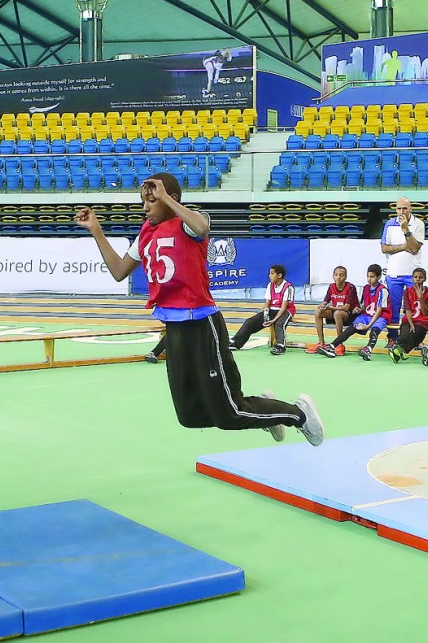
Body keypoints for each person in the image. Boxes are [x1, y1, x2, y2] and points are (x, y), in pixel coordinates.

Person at [75, 173, 323, 444]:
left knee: (230, 413)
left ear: (172, 200)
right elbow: (119, 271)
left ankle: (298, 414)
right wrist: (96, 230)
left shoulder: (187, 224)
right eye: (143, 202)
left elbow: (203, 228)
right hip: (174, 329)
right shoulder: (146, 232)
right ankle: (264, 410)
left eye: (151, 201)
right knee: (189, 415)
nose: (145, 207)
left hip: (202, 325)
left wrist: (166, 199)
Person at [317, 263, 390, 361]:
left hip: (381, 316)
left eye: (372, 277)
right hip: (367, 315)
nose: (369, 279)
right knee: (353, 327)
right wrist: (360, 310)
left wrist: (368, 326)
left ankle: (368, 349)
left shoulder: (383, 290)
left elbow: (379, 310)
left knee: (375, 329)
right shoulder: (366, 288)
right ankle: (332, 346)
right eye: (368, 276)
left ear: (379, 277)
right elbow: (366, 306)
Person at [379, 197, 424, 346]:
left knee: (413, 308)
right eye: (399, 208)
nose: (401, 211)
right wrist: (404, 246)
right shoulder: (389, 224)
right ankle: (392, 337)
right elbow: (384, 248)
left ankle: (415, 340)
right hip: (393, 274)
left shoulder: (418, 224)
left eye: (404, 208)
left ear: (410, 208)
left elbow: (415, 248)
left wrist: (405, 229)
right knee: (393, 308)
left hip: (413, 275)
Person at [230, 264, 295, 354]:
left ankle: (280, 345)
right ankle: (236, 343)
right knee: (251, 321)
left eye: (272, 273)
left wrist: (273, 320)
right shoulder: (270, 285)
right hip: (272, 309)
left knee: (279, 324)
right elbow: (268, 303)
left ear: (279, 275)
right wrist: (265, 311)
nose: (269, 276)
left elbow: (284, 307)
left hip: (285, 311)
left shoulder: (288, 287)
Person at [308, 265, 359, 355]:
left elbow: (346, 308)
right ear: (333, 276)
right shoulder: (331, 287)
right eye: (336, 275)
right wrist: (321, 306)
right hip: (336, 313)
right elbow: (325, 301)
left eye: (341, 275)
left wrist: (330, 308)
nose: (338, 277)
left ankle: (339, 344)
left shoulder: (351, 287)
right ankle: (321, 343)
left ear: (345, 277)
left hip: (350, 316)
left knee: (337, 313)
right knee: (318, 311)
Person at [389, 267, 428, 363]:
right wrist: (411, 323)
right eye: (415, 277)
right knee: (404, 333)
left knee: (416, 333)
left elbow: (426, 312)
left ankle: (399, 351)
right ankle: (400, 351)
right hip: (409, 319)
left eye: (421, 277)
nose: (418, 279)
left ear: (425, 279)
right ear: (412, 278)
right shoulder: (407, 292)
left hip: (422, 321)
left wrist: (421, 298)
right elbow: (408, 310)